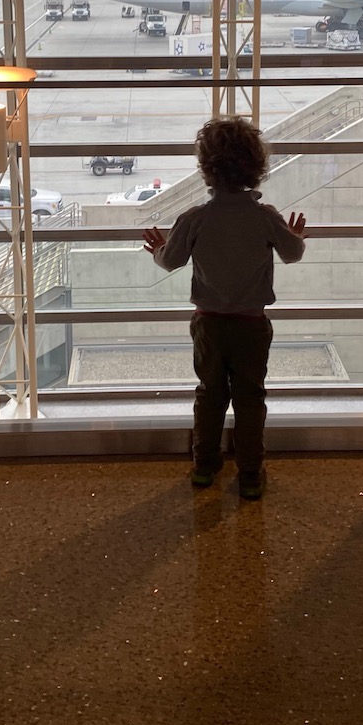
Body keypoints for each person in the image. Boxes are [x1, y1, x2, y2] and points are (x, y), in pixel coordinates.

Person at [143, 117, 306, 499]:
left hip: (209, 325)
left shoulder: (195, 218)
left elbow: (171, 262)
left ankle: (204, 466)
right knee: (251, 397)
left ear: (206, 169)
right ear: (257, 167)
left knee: (210, 394)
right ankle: (250, 472)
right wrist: (296, 236)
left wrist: (159, 250)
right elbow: (293, 253)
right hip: (251, 324)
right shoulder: (265, 218)